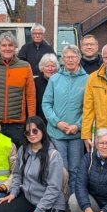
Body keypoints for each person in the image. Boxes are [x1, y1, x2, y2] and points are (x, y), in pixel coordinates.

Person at [0, 116, 66, 212]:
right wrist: (13, 193)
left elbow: (53, 189)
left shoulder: (53, 155)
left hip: (52, 205)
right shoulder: (23, 150)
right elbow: (17, 174)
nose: (31, 135)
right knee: (1, 211)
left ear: (42, 131)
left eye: (35, 131)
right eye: (28, 132)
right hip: (30, 200)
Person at [41, 45, 88, 201]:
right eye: (66, 57)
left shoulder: (87, 79)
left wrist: (78, 125)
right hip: (57, 133)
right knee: (61, 169)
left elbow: (89, 107)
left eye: (73, 57)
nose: (70, 60)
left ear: (79, 58)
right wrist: (57, 123)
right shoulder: (55, 79)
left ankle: (74, 204)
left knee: (76, 169)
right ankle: (61, 202)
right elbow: (46, 103)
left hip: (76, 134)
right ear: (62, 60)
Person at [0, 32, 36, 147]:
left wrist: (31, 119)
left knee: (16, 159)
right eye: (4, 45)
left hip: (17, 125)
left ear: (15, 48)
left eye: (10, 45)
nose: (7, 48)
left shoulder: (25, 66)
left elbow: (30, 95)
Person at [33, 53, 59, 125]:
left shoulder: (60, 82)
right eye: (47, 66)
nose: (50, 69)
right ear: (42, 67)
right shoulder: (35, 83)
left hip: (57, 122)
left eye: (53, 66)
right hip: (39, 121)